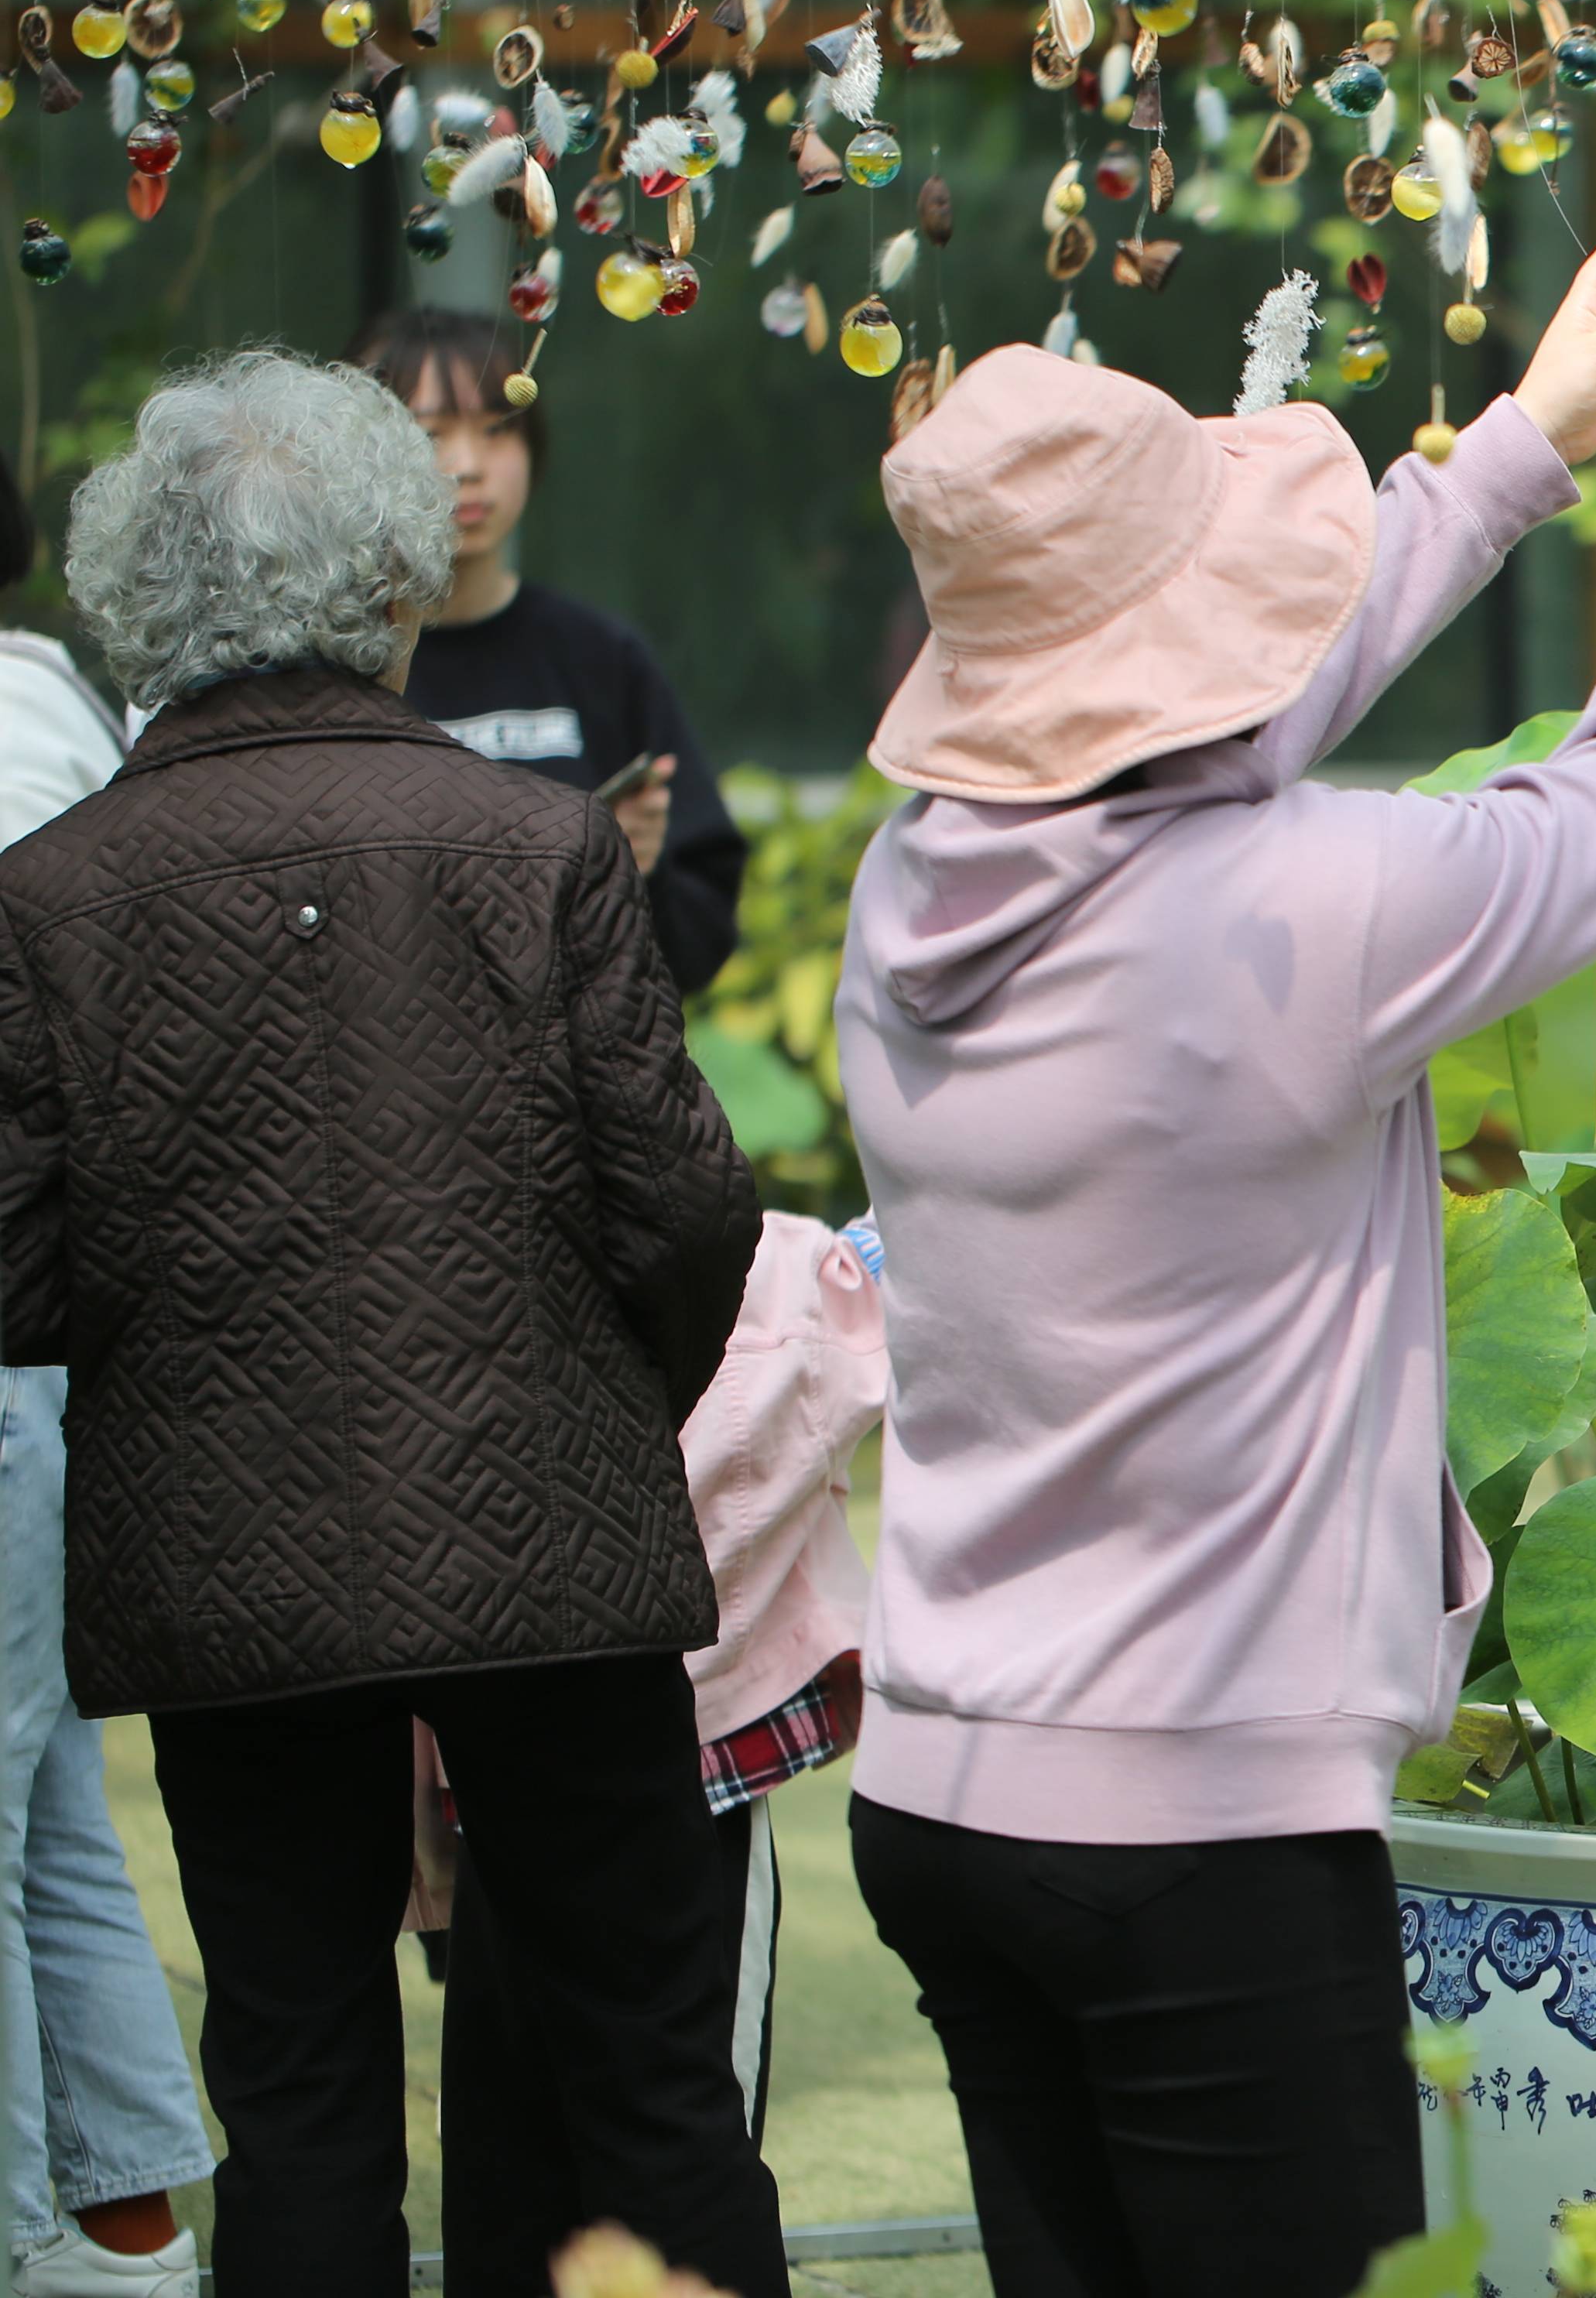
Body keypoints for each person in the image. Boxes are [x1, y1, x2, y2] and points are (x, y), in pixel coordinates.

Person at [834, 229, 1596, 2297]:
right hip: (1201, 1831)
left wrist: (1535, 441)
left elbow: (1201, 716)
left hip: (943, 1793)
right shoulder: (1298, 914)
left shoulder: (912, 888)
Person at [0, 351, 780, 2292]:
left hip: (224, 1556)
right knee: (652, 2067)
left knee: (299, 2075)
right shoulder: (531, 850)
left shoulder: (51, 893)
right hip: (554, 1537)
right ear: (391, 577)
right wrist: (603, 1396)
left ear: (139, 596)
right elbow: (687, 1202)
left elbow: (14, 1269)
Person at [437, 1207, 890, 2296]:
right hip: (673, 1714)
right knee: (676, 2131)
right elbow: (716, 1243)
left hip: (480, 1670)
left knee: (510, 2133)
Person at [0, 464, 211, 2298]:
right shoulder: (45, 697)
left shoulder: (8, 715)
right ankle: (127, 2219)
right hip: (37, 1356)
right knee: (38, 1791)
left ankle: (33, 2226)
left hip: (9, 1356)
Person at [351, 308, 749, 992]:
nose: (467, 468)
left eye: (498, 431)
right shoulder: (342, 665)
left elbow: (700, 947)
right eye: (430, 434)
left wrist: (637, 872)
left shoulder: (599, 657)